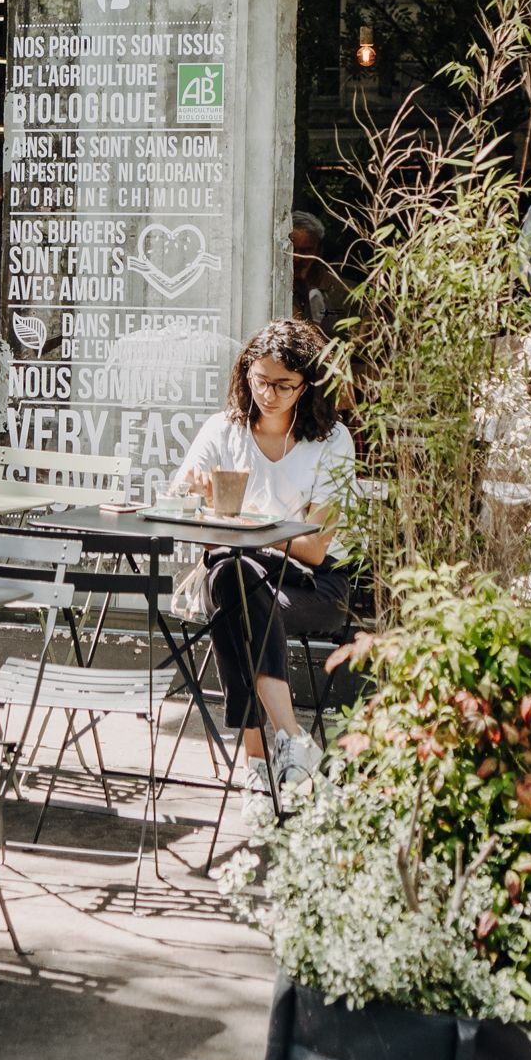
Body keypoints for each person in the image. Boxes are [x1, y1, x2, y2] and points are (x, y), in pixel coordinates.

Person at [172, 317, 354, 792]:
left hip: (313, 587)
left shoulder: (332, 442)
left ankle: (254, 764)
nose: (268, 394)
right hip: (240, 578)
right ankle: (290, 739)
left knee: (236, 593)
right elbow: (181, 499)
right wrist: (193, 492)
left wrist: (242, 525)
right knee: (236, 581)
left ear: (307, 386)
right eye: (259, 380)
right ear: (245, 373)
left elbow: (314, 550)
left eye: (283, 385)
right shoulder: (224, 429)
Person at [290, 210, 350, 334]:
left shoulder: (344, 292)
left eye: (306, 250)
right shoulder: (274, 291)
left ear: (319, 251)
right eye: (292, 249)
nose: (297, 258)